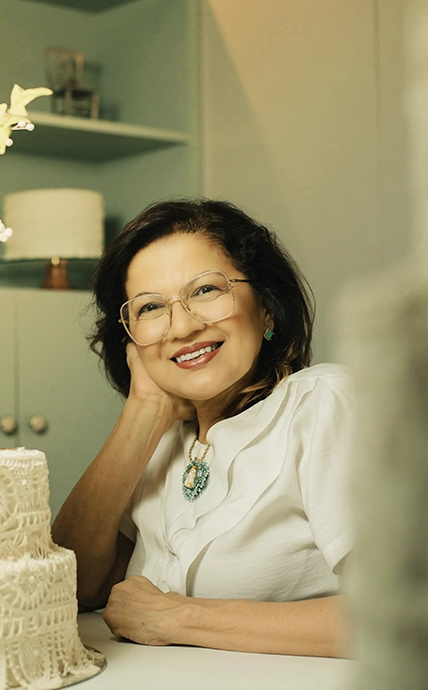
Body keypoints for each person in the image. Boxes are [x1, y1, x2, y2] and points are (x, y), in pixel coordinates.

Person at [52, 199, 353, 658]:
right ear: (130, 338)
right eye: (151, 307)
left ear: (267, 308)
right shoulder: (165, 442)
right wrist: (144, 408)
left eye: (206, 290)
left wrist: (180, 618)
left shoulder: (322, 405)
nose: (182, 325)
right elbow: (74, 586)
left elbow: (407, 614)